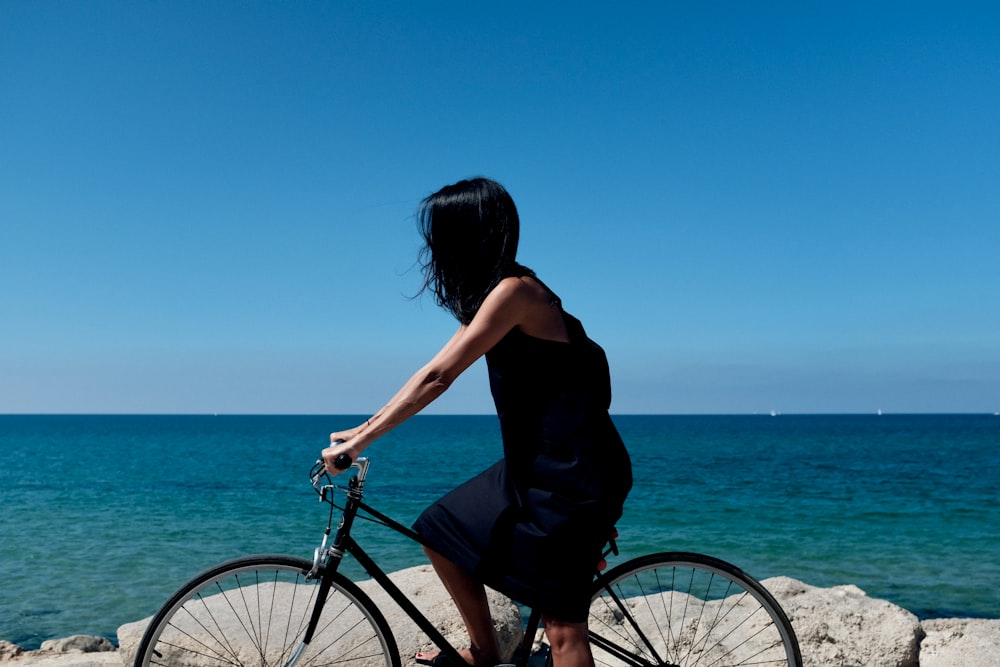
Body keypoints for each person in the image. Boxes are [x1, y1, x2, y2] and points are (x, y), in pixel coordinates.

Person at [323, 177, 632, 667]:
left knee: (562, 629)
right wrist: (361, 431)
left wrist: (359, 445)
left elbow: (441, 377)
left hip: (573, 476)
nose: (432, 249)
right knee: (438, 528)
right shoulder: (498, 295)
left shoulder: (517, 293)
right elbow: (429, 369)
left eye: (439, 236)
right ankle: (487, 652)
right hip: (535, 466)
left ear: (467, 236)